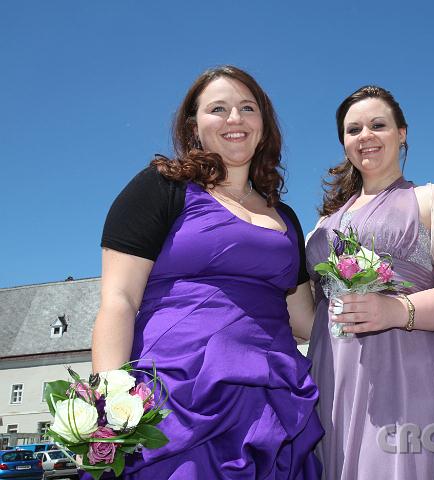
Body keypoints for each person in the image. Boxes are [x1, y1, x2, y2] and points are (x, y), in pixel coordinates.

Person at [90, 65, 323, 479]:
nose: (235, 119)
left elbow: (305, 321)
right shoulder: (160, 187)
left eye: (248, 108)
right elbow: (119, 300)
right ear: (193, 126)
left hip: (269, 396)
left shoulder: (285, 216)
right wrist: (108, 401)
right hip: (178, 395)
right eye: (219, 108)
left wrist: (383, 306)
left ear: (264, 126)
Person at [304, 85, 434, 479]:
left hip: (411, 371)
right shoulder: (322, 226)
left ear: (402, 133)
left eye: (378, 125)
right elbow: (306, 311)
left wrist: (396, 309)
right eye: (353, 129)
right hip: (332, 376)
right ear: (343, 142)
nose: (366, 137)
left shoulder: (432, 200)